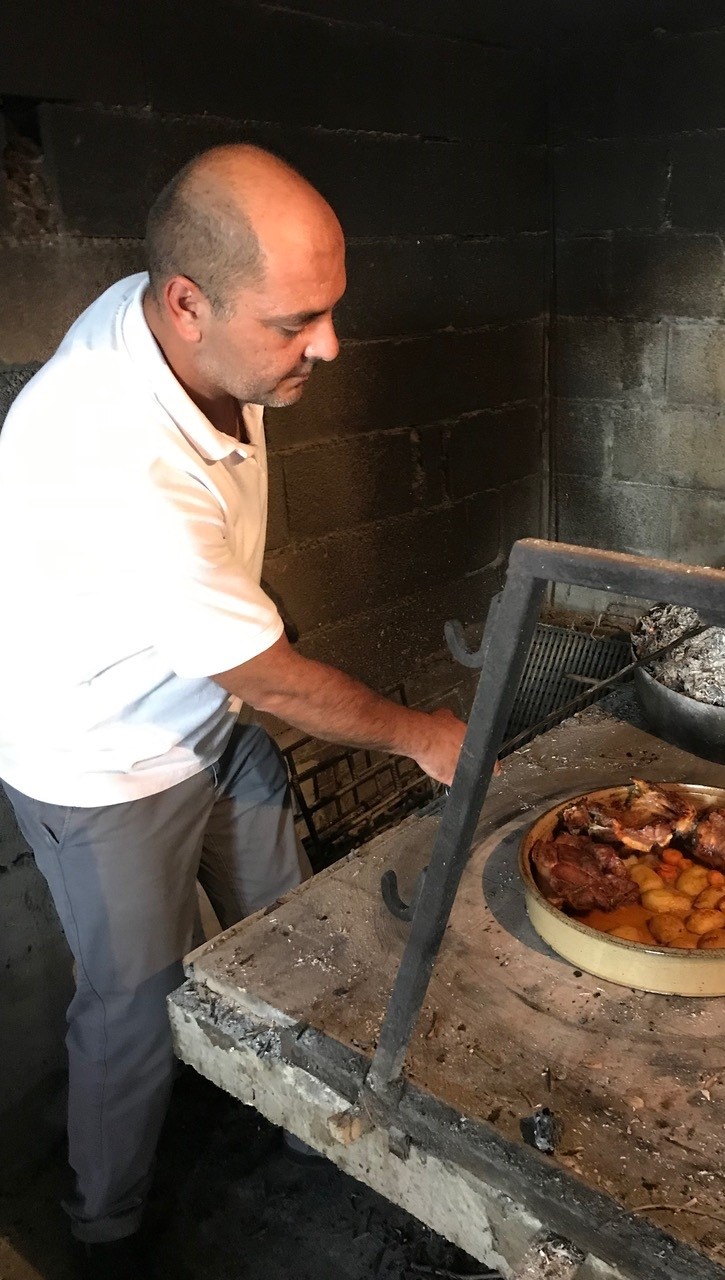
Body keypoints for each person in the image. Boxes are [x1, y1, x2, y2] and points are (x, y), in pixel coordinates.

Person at [0, 145, 466, 1276]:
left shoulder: (186, 333)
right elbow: (272, 676)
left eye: (329, 310)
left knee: (288, 937)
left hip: (201, 713)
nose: (331, 346)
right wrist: (424, 736)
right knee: (135, 1001)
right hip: (105, 763)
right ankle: (103, 1227)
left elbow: (228, 630)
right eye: (297, 322)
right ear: (189, 303)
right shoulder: (112, 453)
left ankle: (296, 1116)